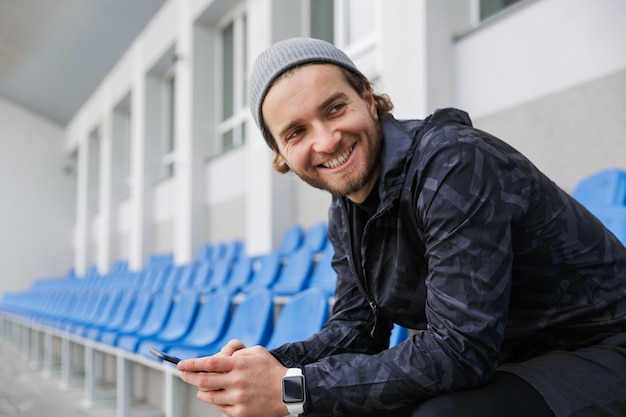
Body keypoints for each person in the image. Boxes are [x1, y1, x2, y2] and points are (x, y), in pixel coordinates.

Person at [177, 37, 626, 417]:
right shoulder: (346, 207)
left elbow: (461, 352)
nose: (326, 140)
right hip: (514, 358)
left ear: (368, 101)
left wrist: (292, 389)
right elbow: (357, 328)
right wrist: (266, 368)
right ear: (281, 156)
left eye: (334, 109)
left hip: (599, 349)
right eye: (296, 132)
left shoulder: (453, 164)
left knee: (439, 415)